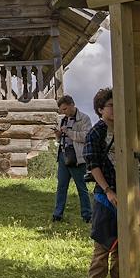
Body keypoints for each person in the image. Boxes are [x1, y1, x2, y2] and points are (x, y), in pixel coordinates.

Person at [84, 87, 118, 278]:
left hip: (126, 193)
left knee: (123, 246)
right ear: (100, 109)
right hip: (105, 196)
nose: (115, 109)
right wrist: (107, 190)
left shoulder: (125, 129)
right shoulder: (96, 133)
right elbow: (93, 165)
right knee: (103, 245)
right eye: (111, 106)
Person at [52, 95, 93, 223]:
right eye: (61, 110)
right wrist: (58, 135)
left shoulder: (84, 118)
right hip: (63, 156)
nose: (63, 112)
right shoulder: (63, 120)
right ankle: (57, 215)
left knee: (82, 188)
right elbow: (60, 139)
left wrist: (69, 133)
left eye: (65, 109)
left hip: (77, 158)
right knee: (61, 187)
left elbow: (87, 136)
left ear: (72, 105)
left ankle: (87, 215)